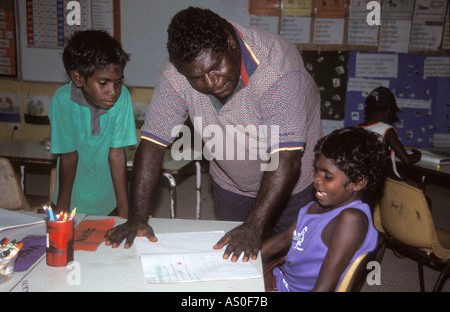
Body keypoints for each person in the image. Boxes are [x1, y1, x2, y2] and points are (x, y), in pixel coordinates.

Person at [104, 7, 321, 262]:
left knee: (293, 260)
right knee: (233, 260)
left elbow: (286, 158)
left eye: (215, 67)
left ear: (229, 42)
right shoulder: (176, 74)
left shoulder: (278, 68)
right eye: (197, 77)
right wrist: (138, 217)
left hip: (292, 182)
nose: (210, 83)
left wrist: (253, 226)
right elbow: (152, 144)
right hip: (231, 179)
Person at [261, 127, 387, 292]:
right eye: (317, 170)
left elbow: (324, 289)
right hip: (282, 279)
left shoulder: (351, 219)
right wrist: (246, 256)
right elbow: (283, 239)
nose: (316, 179)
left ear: (358, 182)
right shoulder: (316, 206)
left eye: (328, 176)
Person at [48, 30, 137, 217]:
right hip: (69, 199)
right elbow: (68, 156)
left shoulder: (123, 98)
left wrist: (125, 211)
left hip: (108, 201)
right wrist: (62, 212)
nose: (113, 91)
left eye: (118, 82)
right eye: (104, 83)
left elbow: (117, 155)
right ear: (78, 78)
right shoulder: (63, 100)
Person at [358, 86, 421, 180]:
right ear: (388, 111)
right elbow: (407, 160)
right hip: (388, 184)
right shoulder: (387, 130)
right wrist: (417, 154)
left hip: (367, 182)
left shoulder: (358, 128)